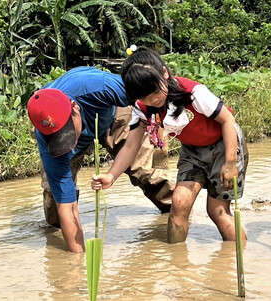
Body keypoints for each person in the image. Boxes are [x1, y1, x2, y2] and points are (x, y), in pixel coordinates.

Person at [91, 46, 249, 243]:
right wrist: (110, 176)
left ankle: (239, 262)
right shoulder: (142, 109)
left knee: (217, 211)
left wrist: (230, 162)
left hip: (224, 146)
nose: (153, 100)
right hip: (192, 150)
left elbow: (228, 121)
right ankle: (176, 265)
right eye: (145, 97)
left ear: (164, 73)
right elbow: (131, 147)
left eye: (156, 92)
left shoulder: (193, 93)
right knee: (179, 201)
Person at [27, 66, 174, 253]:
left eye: (68, 133)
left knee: (148, 173)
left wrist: (158, 133)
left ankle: (176, 214)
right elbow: (67, 206)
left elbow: (154, 96)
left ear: (75, 108)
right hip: (70, 128)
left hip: (112, 116)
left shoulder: (101, 87)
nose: (68, 141)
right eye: (61, 139)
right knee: (55, 206)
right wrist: (77, 262)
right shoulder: (47, 138)